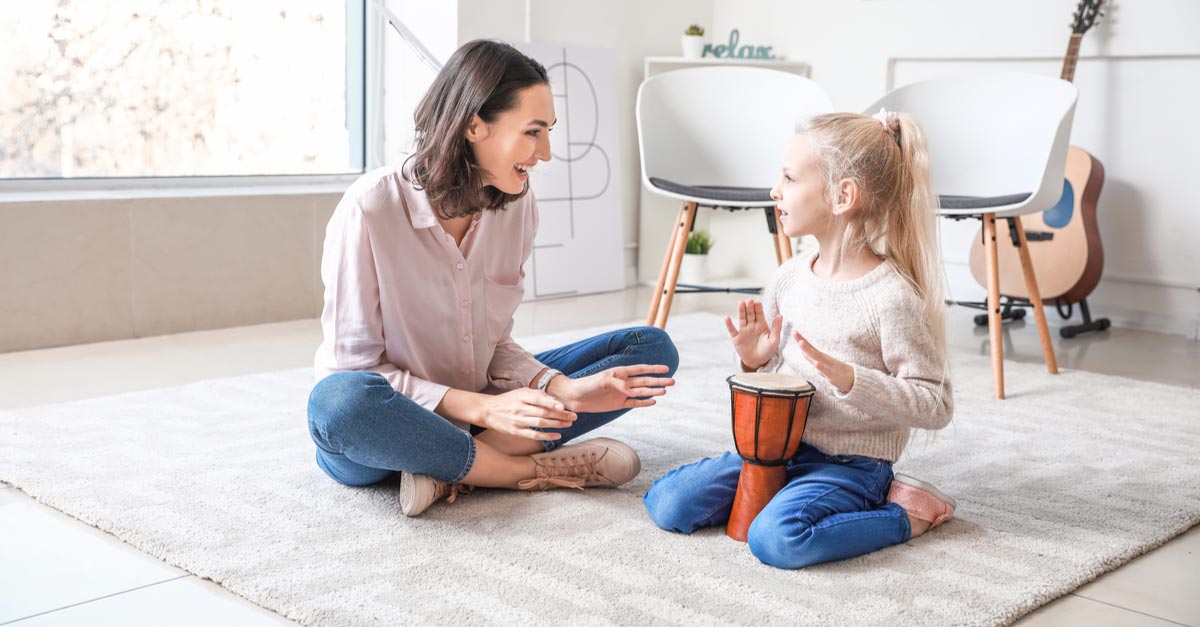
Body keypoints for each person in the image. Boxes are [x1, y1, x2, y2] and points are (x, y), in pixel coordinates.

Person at [307, 40, 678, 518]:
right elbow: (352, 370)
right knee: (337, 405)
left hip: (479, 404)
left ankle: (451, 468)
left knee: (650, 351)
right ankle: (519, 472)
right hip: (388, 428)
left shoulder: (517, 205)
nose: (545, 152)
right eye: (532, 132)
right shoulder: (371, 208)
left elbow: (492, 344)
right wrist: (481, 410)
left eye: (548, 132)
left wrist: (558, 386)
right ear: (473, 125)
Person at [643, 110, 955, 568]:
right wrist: (756, 362)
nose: (775, 190)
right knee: (668, 504)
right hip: (778, 452)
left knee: (777, 540)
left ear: (842, 195)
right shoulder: (789, 279)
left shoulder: (890, 297)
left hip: (852, 466)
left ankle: (906, 514)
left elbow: (936, 404)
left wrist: (854, 380)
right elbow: (780, 383)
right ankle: (791, 495)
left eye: (790, 178)